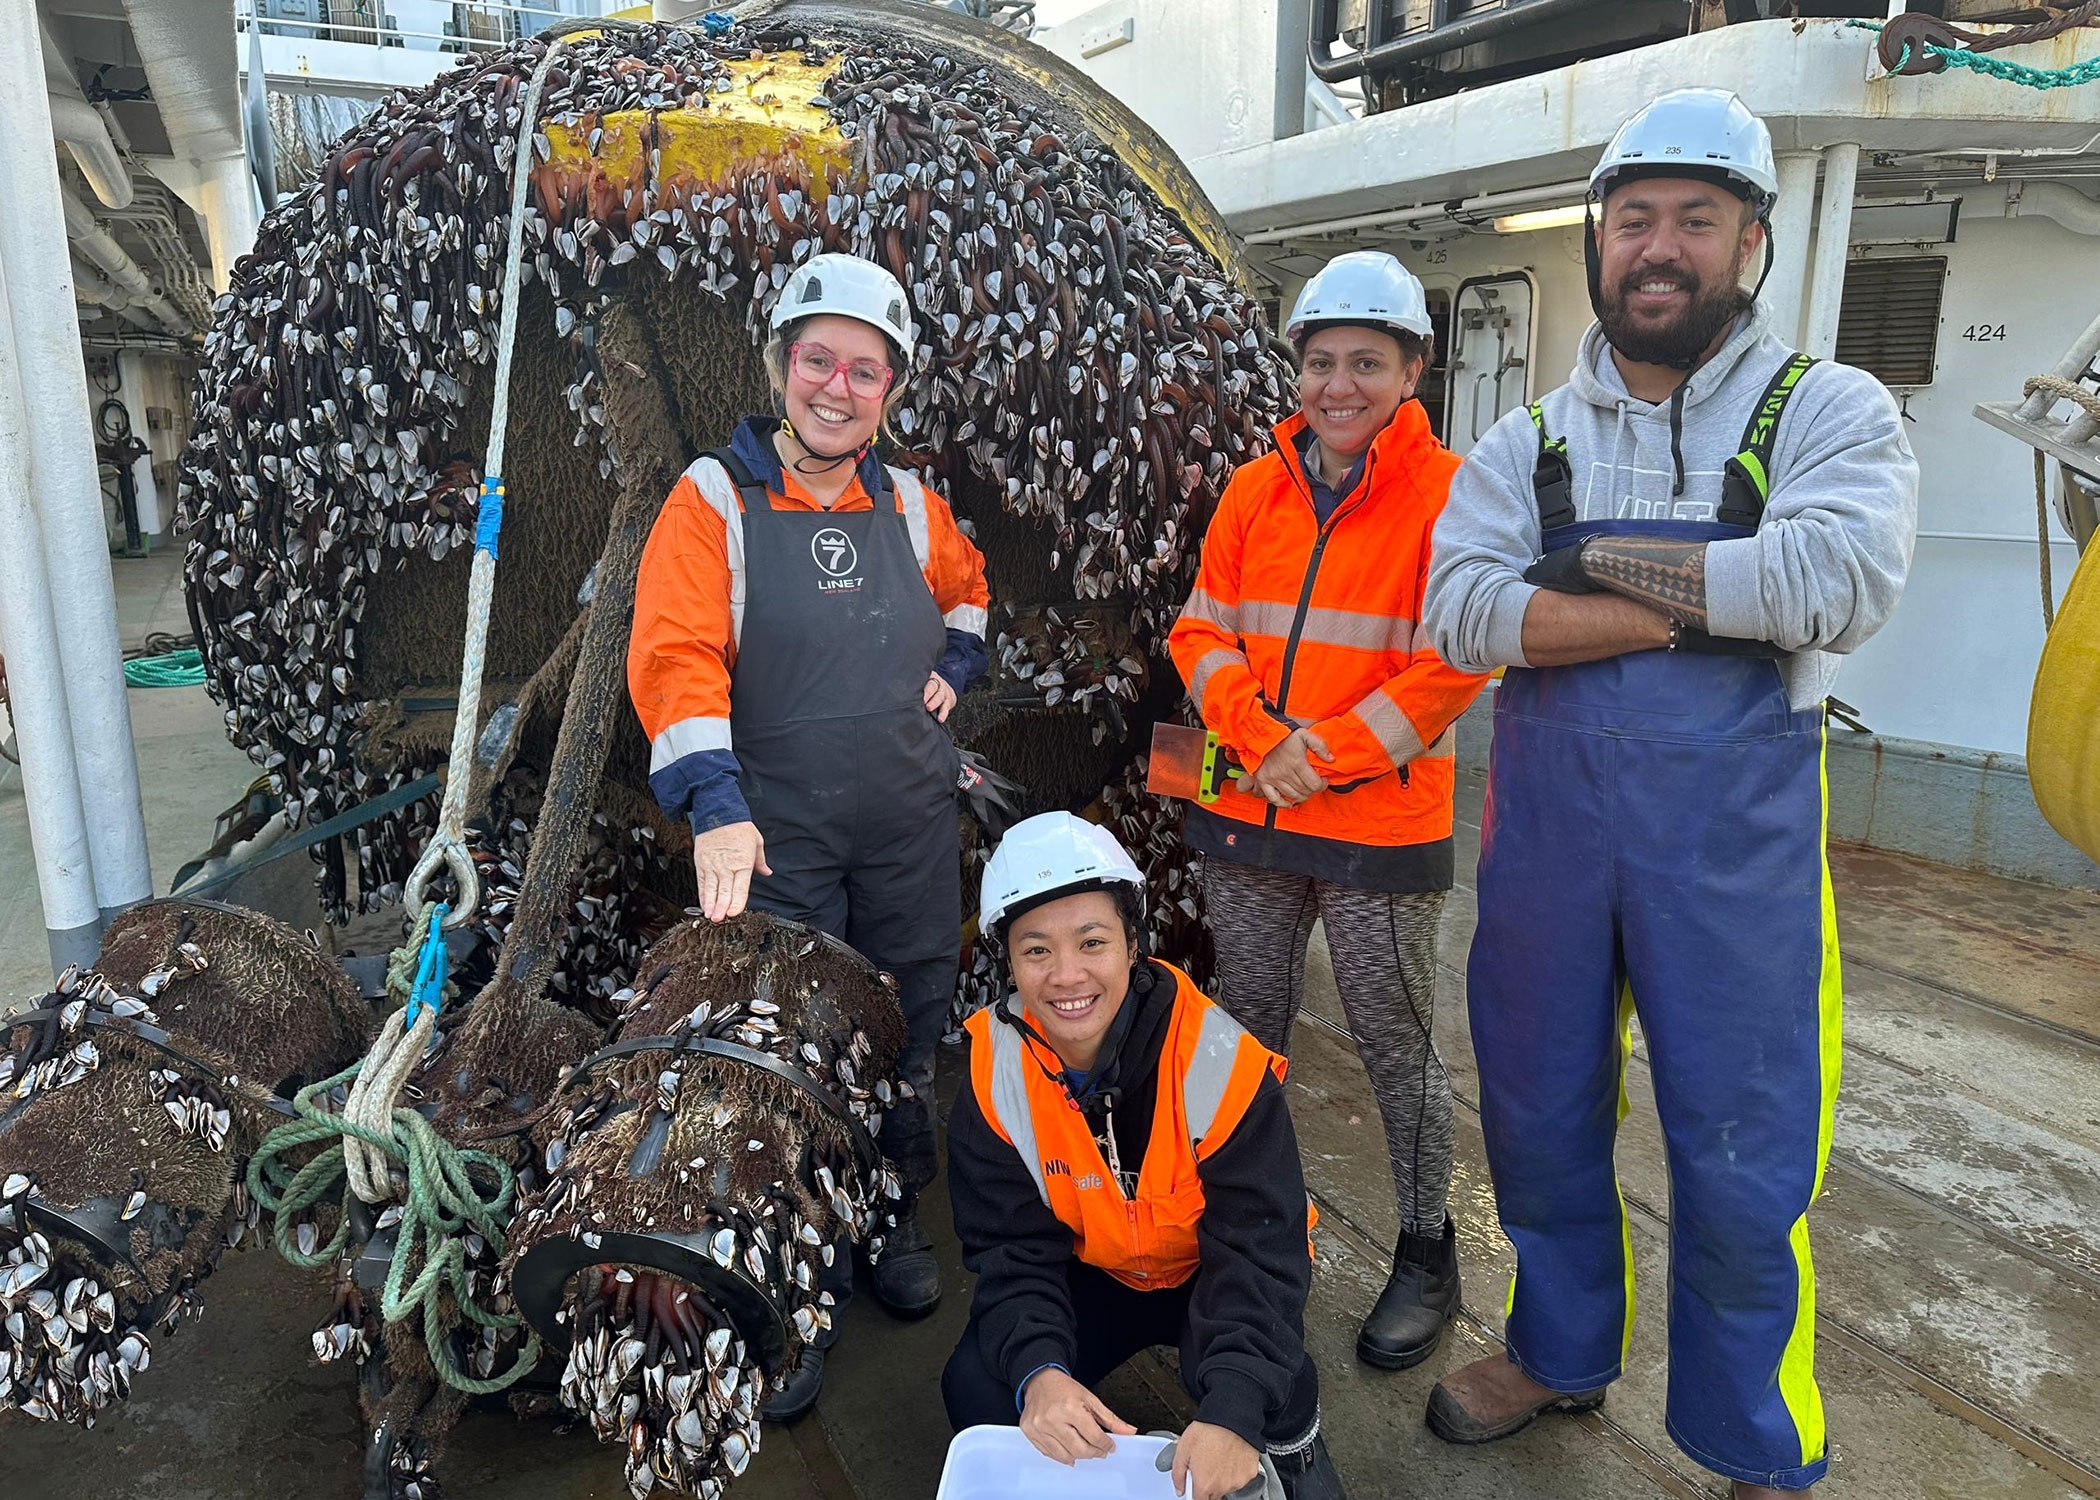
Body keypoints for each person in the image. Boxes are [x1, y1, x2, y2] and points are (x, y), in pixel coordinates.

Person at [1421, 90, 1917, 1496]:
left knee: (1748, 1153)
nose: (1660, 247)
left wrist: (1579, 579)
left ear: (1749, 239)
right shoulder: (1527, 442)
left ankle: (1757, 1442)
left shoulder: (1827, 408)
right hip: (1549, 848)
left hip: (1737, 864)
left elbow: (1837, 584)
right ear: (1597, 241)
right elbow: (1463, 618)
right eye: (1634, 217)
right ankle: (1560, 1351)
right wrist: (1712, 598)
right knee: (1533, 1109)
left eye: (1696, 219)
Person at [628, 251, 990, 1416]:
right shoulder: (713, 500)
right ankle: (808, 1272)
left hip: (907, 826)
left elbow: (970, 590)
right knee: (787, 1045)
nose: (839, 387)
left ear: (893, 388)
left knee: (910, 1020)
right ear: (782, 365)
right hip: (778, 836)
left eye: (866, 370)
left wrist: (956, 663)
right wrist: (717, 809)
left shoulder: (913, 505)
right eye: (819, 360)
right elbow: (676, 656)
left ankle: (888, 1216)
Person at [1165, 250, 1489, 1372]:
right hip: (1252, 815)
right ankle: (1251, 1231)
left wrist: (1327, 757)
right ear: (1294, 372)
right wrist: (1263, 741)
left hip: (1378, 832)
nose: (1338, 384)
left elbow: (1457, 663)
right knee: (1247, 1026)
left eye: (1366, 361)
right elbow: (1198, 629)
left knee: (1395, 1040)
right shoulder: (1254, 490)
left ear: (1411, 371)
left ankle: (1424, 1249)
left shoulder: (1454, 494)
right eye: (1319, 362)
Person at [942, 812, 1347, 1500]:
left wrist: (1233, 1413)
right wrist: (1041, 1372)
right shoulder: (992, 1075)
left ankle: (1297, 1458)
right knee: (981, 1381)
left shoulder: (1219, 1064)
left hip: (1209, 1273)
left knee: (1270, 1387)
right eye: (1035, 950)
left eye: (1091, 941)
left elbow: (1261, 1250)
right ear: (1007, 961)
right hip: (1098, 1272)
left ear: (1133, 944)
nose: (1067, 976)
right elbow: (1010, 1250)